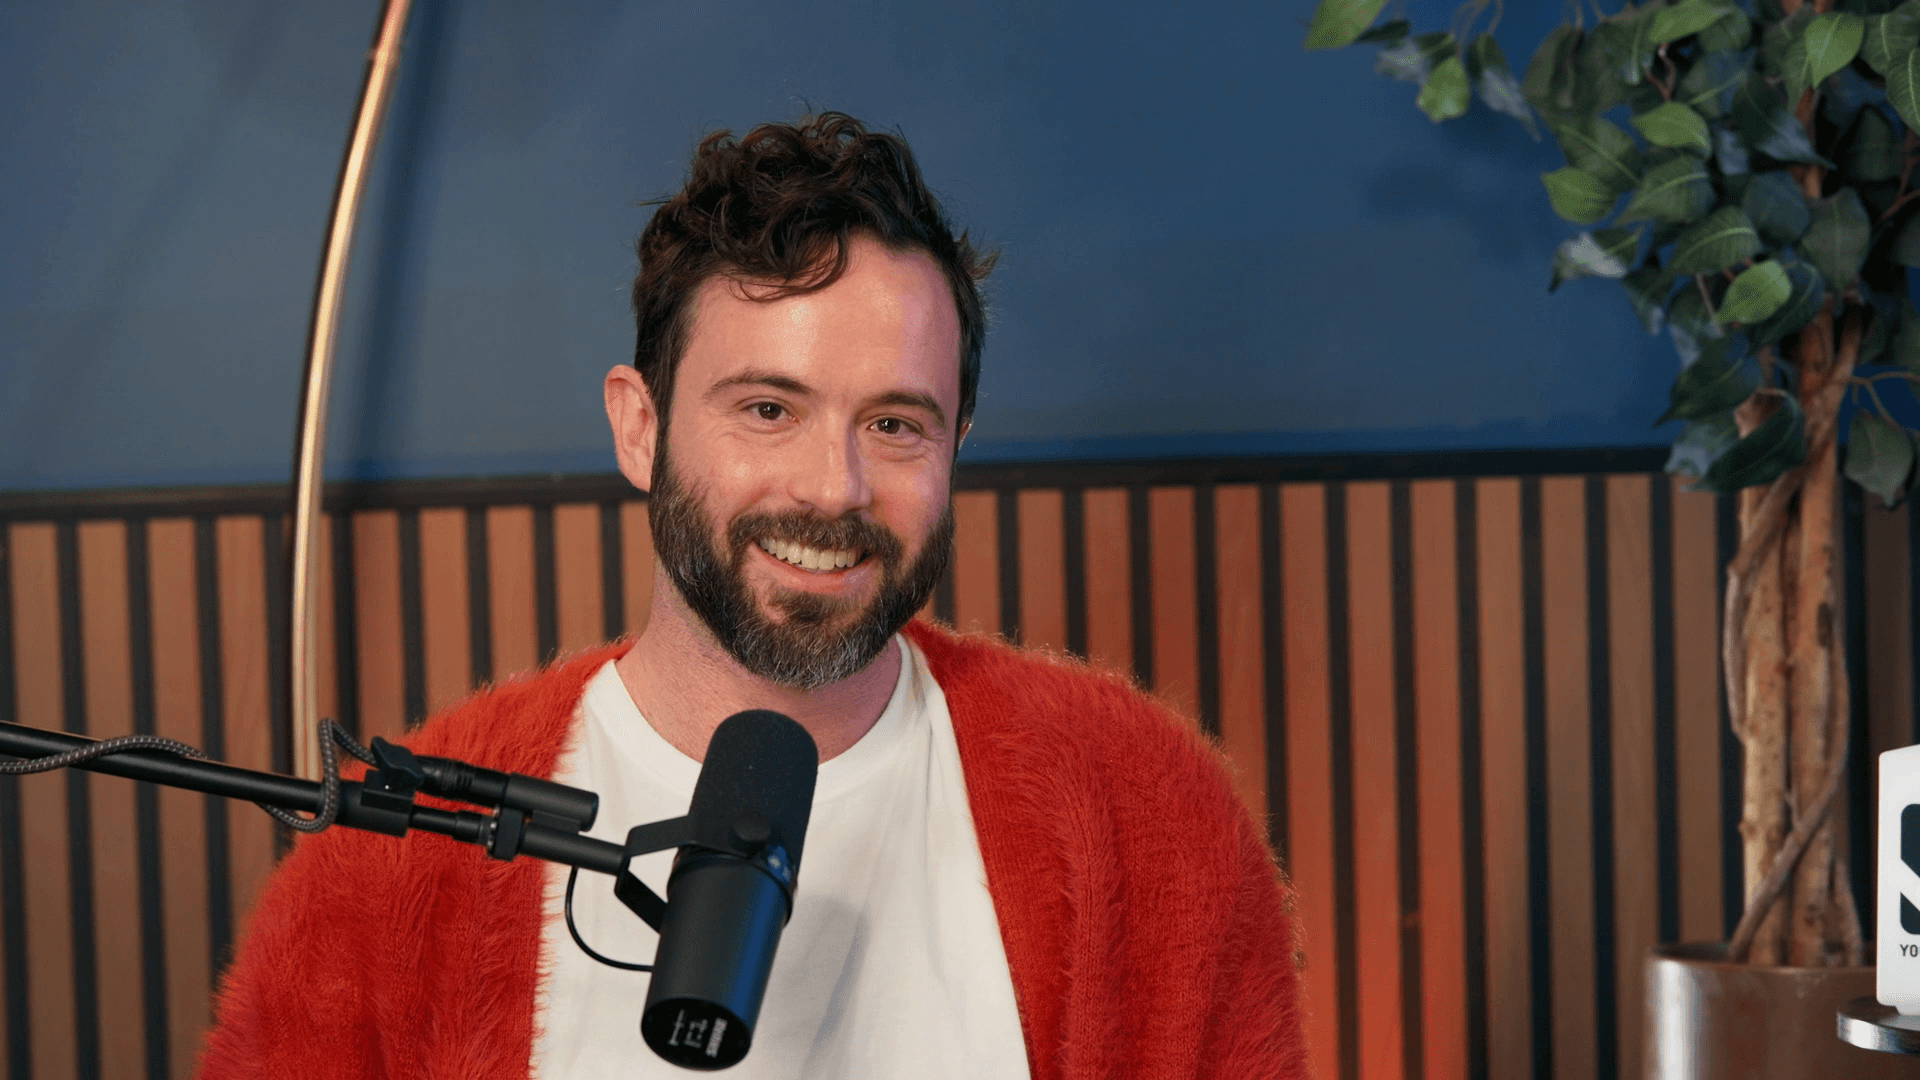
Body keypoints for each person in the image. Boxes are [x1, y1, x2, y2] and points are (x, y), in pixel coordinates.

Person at [197, 113, 1307, 1080]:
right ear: (640, 426)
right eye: (768, 409)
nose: (835, 488)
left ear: (955, 441)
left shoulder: (1147, 817)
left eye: (895, 423)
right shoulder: (395, 870)